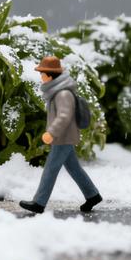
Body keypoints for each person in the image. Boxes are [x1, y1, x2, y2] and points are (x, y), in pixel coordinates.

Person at [20, 56, 102, 214]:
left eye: (42, 73)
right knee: (74, 169)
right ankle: (93, 195)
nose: (41, 77)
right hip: (64, 137)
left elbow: (64, 116)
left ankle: (39, 203)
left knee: (50, 169)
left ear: (50, 75)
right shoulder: (57, 92)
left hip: (63, 138)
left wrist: (51, 132)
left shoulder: (62, 94)